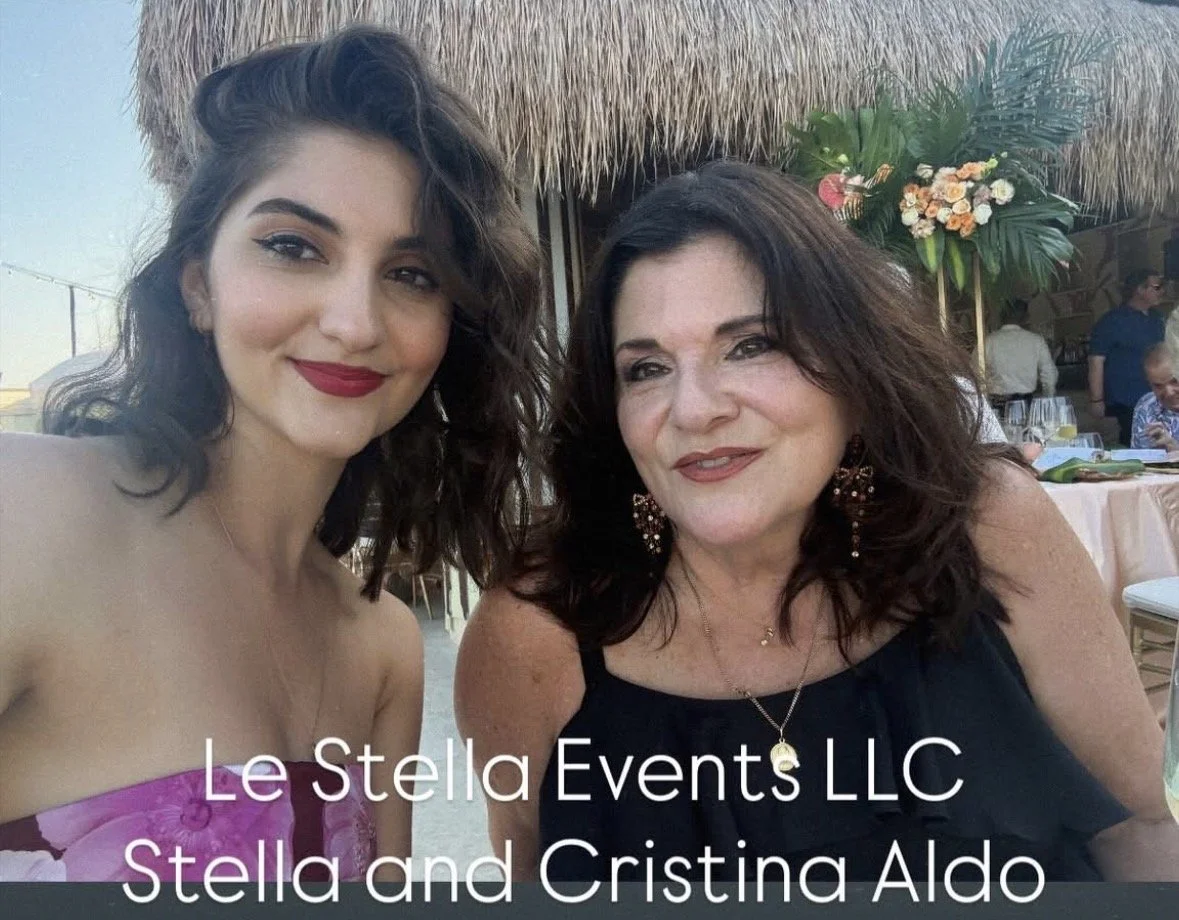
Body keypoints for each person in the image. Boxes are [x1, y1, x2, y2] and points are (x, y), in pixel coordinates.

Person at [455, 162, 1178, 885]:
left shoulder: (985, 528)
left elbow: (1139, 827)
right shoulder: (538, 628)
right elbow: (531, 875)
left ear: (852, 366)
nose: (693, 409)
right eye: (645, 368)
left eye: (750, 345)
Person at [0, 27, 544, 882]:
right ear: (196, 284)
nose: (355, 322)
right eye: (294, 246)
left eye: (412, 273)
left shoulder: (383, 647)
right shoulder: (25, 515)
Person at [1088, 269, 1166, 445]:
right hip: (1126, 401)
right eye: (1157, 287)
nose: (1162, 291)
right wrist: (1096, 399)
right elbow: (1096, 361)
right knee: (1132, 444)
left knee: (1161, 444)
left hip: (1158, 398)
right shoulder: (1112, 321)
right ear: (1140, 289)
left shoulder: (1158, 318)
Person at [974, 299, 1057, 408]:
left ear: (1001, 316)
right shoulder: (1036, 341)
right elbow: (1049, 375)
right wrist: (1048, 399)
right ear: (1026, 317)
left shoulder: (987, 342)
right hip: (1025, 403)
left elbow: (974, 373)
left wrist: (983, 404)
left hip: (995, 404)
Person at [1130, 343, 1179, 451]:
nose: (1169, 392)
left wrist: (1175, 450)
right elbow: (1138, 460)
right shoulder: (1146, 406)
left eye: (1174, 381)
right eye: (1158, 386)